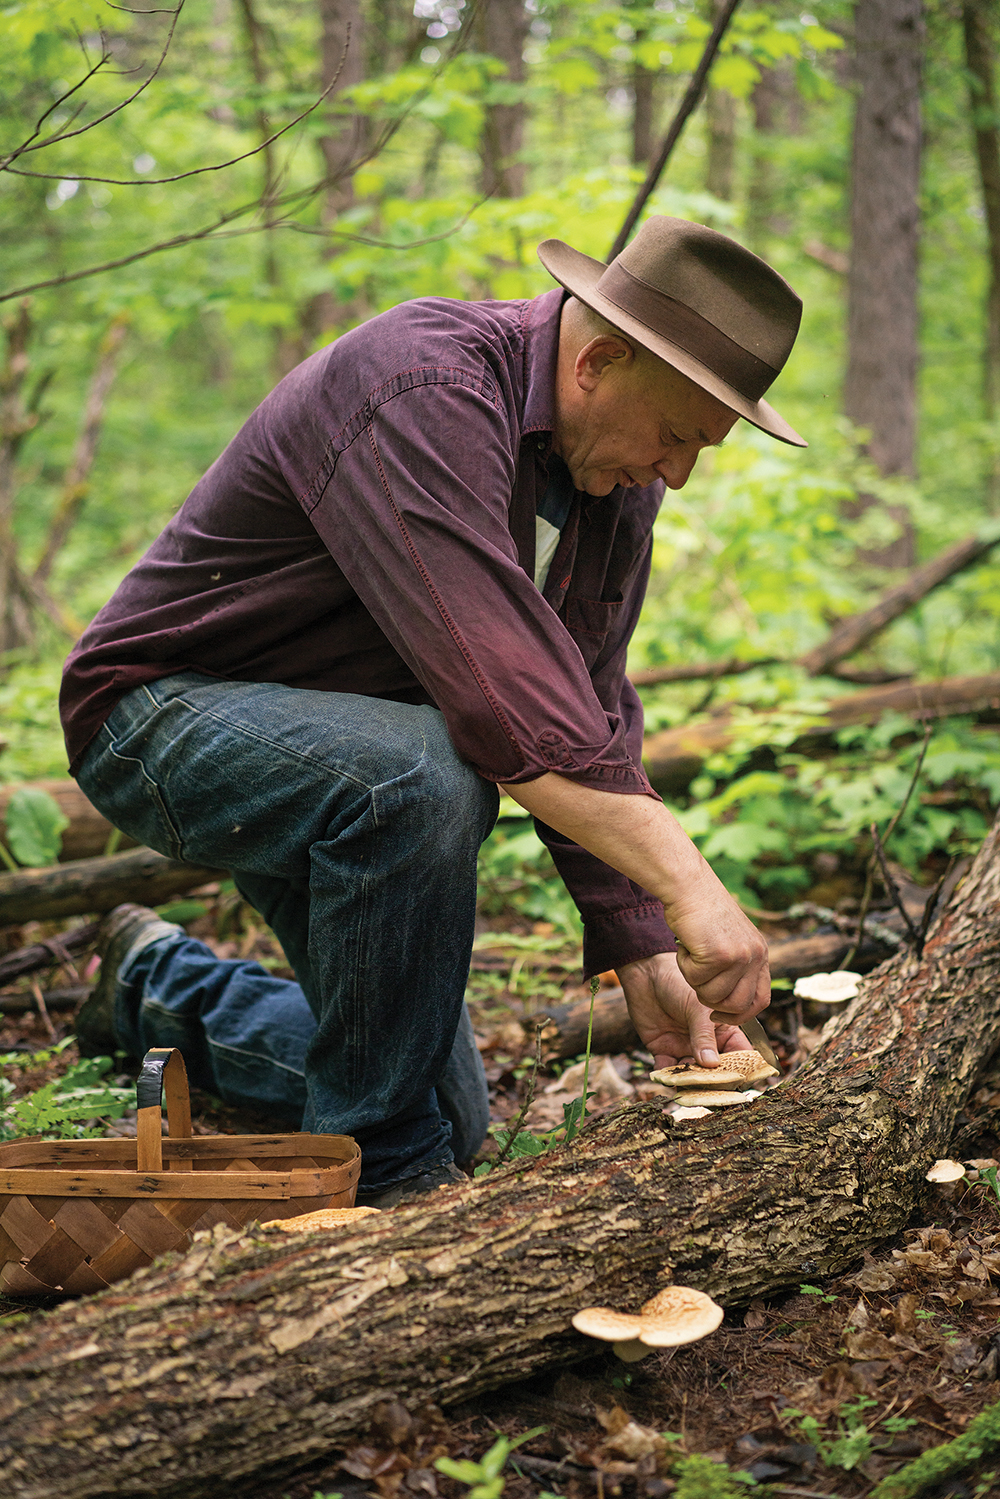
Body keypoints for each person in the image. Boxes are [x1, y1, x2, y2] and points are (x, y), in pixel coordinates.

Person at [61, 215, 805, 1207]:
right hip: (159, 717)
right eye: (674, 435)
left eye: (696, 449)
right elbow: (502, 707)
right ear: (598, 360)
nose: (676, 472)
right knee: (427, 776)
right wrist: (690, 884)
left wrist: (640, 948)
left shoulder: (610, 484)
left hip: (354, 769)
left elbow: (582, 706)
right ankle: (386, 1189)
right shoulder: (420, 383)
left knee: (447, 1113)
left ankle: (162, 989)